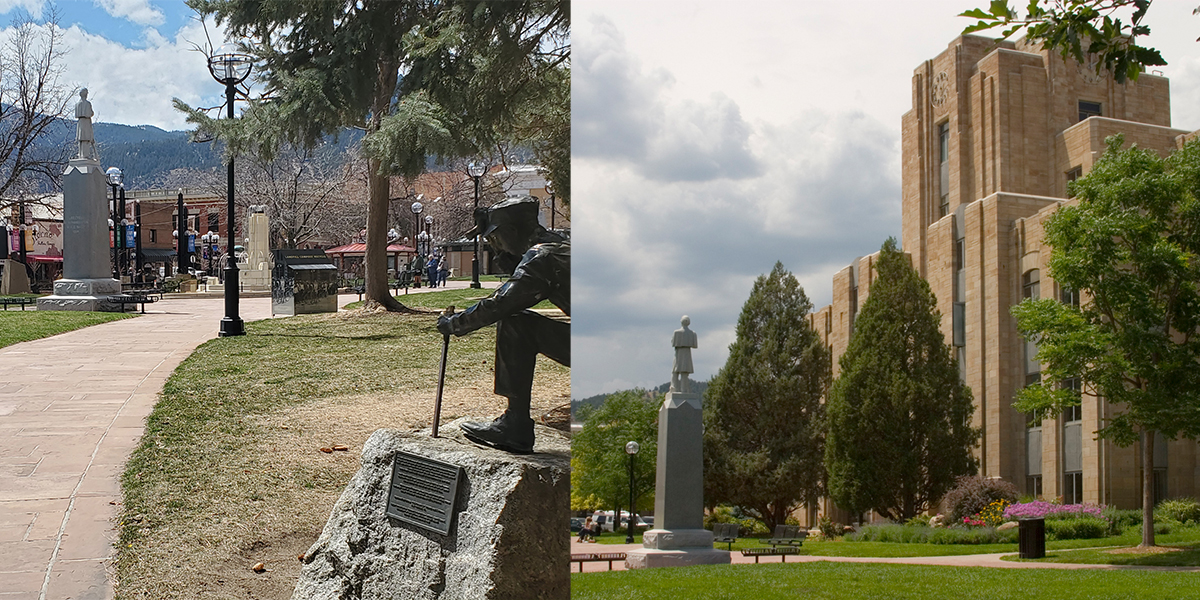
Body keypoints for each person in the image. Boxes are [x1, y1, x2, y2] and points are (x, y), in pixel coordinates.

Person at [437, 197, 569, 454]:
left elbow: (501, 304)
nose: (494, 247)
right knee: (518, 321)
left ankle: (515, 424)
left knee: (516, 324)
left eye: (495, 239)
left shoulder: (542, 257)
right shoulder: (558, 243)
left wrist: (455, 324)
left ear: (512, 231)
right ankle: (515, 423)